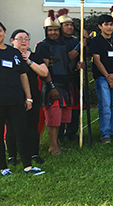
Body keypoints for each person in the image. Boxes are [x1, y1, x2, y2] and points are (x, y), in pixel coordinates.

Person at [0, 19, 45, 176]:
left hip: (15, 99)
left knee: (21, 131)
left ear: (5, 32)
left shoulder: (13, 52)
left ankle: (28, 166)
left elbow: (23, 76)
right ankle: (3, 167)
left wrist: (28, 98)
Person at [6, 29, 49, 166]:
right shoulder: (6, 55)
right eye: (19, 38)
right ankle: (12, 155)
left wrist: (28, 61)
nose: (23, 41)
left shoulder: (35, 56)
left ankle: (34, 153)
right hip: (12, 96)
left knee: (32, 125)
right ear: (12, 41)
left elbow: (44, 72)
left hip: (33, 96)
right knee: (12, 127)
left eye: (26, 38)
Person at [36, 10, 75, 156]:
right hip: (52, 86)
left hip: (65, 85)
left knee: (61, 118)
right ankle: (53, 147)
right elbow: (44, 70)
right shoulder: (43, 46)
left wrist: (77, 66)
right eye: (50, 30)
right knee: (52, 118)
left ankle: (56, 143)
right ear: (46, 31)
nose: (53, 32)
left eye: (56, 30)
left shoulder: (63, 44)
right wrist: (51, 87)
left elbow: (66, 63)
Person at [89, 14, 113, 143]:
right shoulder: (96, 41)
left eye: (111, 24)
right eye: (106, 25)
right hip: (102, 77)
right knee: (105, 105)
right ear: (100, 26)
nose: (109, 27)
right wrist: (107, 77)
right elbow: (97, 60)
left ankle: (111, 130)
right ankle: (105, 134)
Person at [56, 8, 84, 142]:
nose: (69, 27)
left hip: (75, 78)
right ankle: (59, 134)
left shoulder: (74, 40)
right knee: (62, 107)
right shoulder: (58, 41)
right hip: (62, 79)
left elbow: (83, 56)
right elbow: (69, 55)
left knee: (75, 107)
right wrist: (80, 45)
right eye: (66, 25)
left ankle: (72, 132)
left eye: (71, 25)